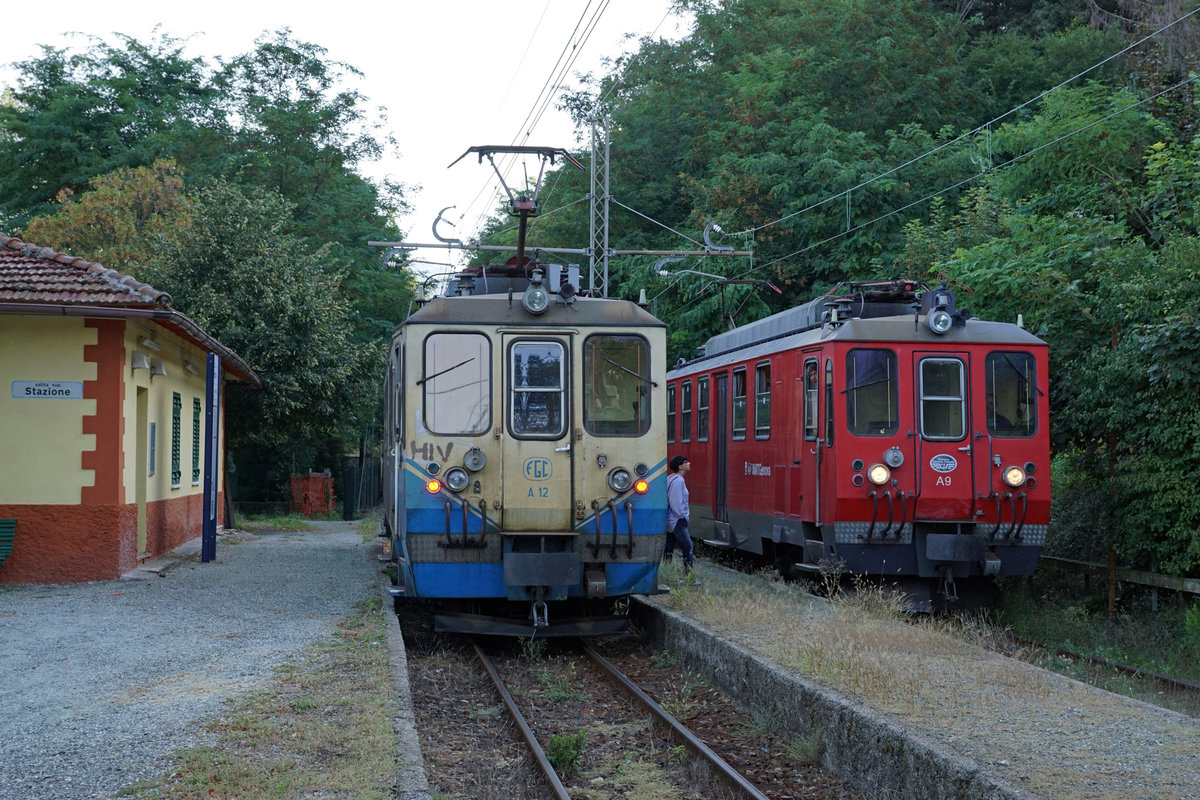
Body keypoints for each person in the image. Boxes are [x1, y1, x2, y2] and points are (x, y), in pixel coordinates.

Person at [665, 455, 694, 573]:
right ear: (680, 466)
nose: (689, 463)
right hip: (677, 520)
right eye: (686, 462)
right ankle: (688, 573)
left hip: (671, 519)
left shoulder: (671, 478)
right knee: (688, 546)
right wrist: (682, 515)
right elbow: (675, 501)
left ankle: (666, 569)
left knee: (669, 547)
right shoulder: (679, 481)